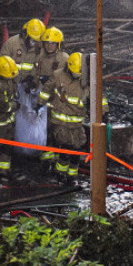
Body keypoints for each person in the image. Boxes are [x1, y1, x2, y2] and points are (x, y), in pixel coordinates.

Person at [38, 52, 102, 181]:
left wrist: (103, 112)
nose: (77, 76)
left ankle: (72, 175)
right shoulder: (58, 76)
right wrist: (39, 104)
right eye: (75, 73)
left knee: (77, 149)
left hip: (77, 123)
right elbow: (46, 90)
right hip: (59, 121)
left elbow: (99, 97)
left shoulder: (88, 81)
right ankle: (59, 173)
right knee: (66, 148)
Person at [0, 18, 44, 85]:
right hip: (11, 82)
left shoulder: (39, 47)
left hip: (27, 84)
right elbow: (2, 64)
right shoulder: (11, 43)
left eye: (37, 40)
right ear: (25, 34)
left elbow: (38, 65)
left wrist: (32, 77)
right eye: (33, 39)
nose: (35, 42)